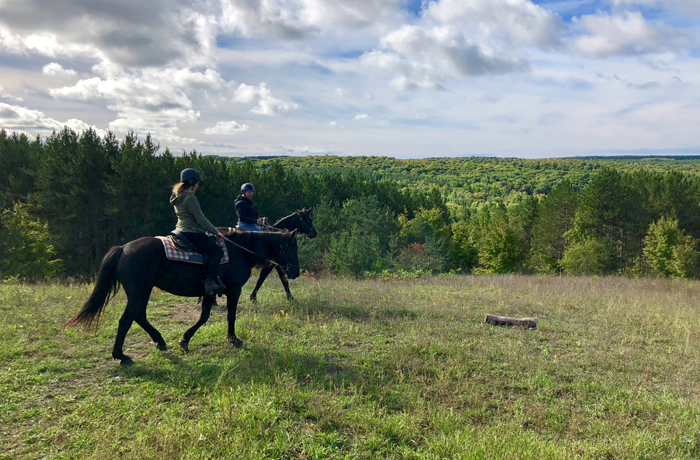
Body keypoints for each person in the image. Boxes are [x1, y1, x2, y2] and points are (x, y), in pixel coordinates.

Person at [170, 168, 226, 295]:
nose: (197, 185)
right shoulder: (190, 198)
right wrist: (216, 232)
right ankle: (210, 280)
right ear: (192, 181)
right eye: (197, 183)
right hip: (192, 231)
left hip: (180, 230)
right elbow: (200, 218)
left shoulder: (177, 196)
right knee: (217, 251)